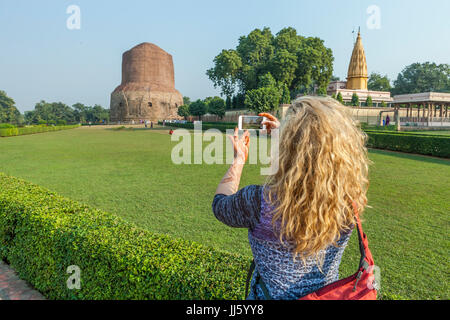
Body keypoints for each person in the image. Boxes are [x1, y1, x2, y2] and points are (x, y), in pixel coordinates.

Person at [212, 96, 370, 299]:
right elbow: (313, 158)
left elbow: (220, 205)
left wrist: (239, 160)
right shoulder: (348, 202)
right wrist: (286, 133)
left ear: (287, 148)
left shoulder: (259, 201)